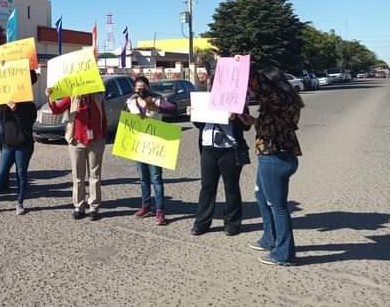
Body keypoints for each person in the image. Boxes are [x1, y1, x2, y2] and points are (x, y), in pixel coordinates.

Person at [247, 66, 304, 266]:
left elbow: (270, 127)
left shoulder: (275, 102)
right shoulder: (285, 100)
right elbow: (271, 125)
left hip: (274, 156)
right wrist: (253, 120)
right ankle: (269, 238)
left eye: (260, 82)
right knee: (261, 196)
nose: (256, 86)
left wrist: (245, 67)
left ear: (269, 84)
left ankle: (283, 253)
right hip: (279, 154)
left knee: (278, 207)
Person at [46, 87, 107, 221]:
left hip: (95, 140)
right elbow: (56, 110)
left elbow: (103, 118)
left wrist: (103, 137)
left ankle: (94, 207)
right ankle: (79, 206)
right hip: (77, 141)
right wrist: (50, 98)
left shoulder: (98, 97)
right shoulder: (72, 98)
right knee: (78, 176)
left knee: (95, 174)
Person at [191, 108, 252, 236]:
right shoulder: (206, 101)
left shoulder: (238, 101)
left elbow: (246, 126)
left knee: (231, 187)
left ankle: (232, 223)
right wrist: (194, 115)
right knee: (207, 187)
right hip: (208, 149)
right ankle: (202, 223)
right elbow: (200, 125)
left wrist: (235, 118)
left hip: (229, 149)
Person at [124, 76, 177, 225]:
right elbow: (125, 120)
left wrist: (158, 107)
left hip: (155, 144)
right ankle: (146, 206)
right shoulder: (130, 102)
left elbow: (173, 108)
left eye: (144, 88)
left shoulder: (157, 99)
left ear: (148, 87)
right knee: (143, 178)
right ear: (135, 89)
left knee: (156, 178)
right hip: (138, 144)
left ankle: (160, 211)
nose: (141, 91)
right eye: (138, 88)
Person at [0, 71, 38, 216]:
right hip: (8, 145)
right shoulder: (3, 106)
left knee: (21, 174)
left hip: (24, 145)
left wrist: (16, 111)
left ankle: (20, 203)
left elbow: (26, 124)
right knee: (0, 173)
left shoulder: (30, 106)